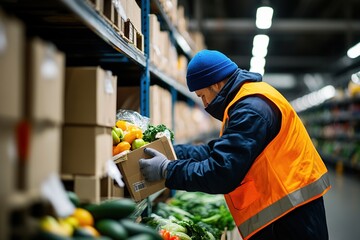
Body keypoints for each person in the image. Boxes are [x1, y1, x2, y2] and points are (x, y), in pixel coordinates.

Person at [139, 49, 331, 240]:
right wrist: (172, 152)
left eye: (202, 96)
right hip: (286, 207)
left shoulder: (251, 109)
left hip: (291, 215)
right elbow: (217, 151)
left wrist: (167, 170)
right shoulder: (245, 100)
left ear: (216, 84)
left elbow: (221, 172)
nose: (205, 105)